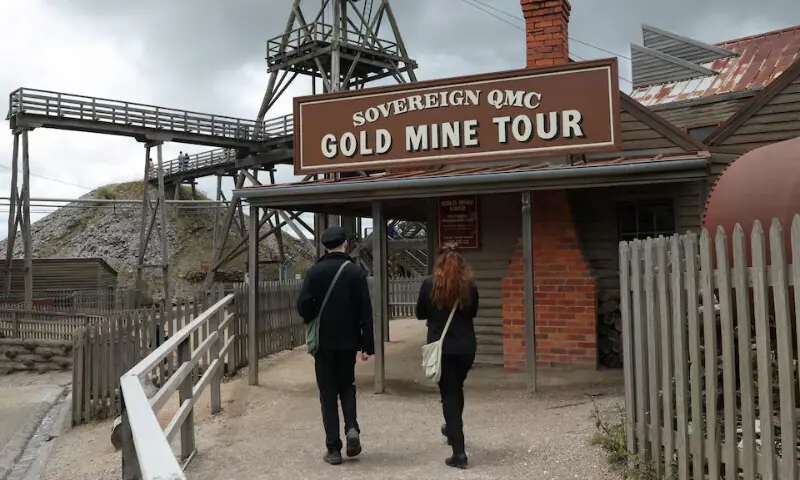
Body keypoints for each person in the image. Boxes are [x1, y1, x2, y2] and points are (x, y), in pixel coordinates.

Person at [296, 226, 375, 466]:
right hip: (348, 341)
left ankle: (333, 449)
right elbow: (366, 311)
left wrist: (314, 317)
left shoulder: (314, 272)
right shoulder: (354, 272)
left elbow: (302, 305)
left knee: (327, 394)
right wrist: (367, 344)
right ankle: (351, 426)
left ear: (324, 247)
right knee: (347, 386)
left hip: (323, 342)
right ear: (345, 245)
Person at [415, 242, 479, 469]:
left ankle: (459, 453)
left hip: (442, 349)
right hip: (466, 348)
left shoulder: (429, 284)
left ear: (439, 261)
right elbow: (473, 312)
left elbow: (420, 314)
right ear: (462, 262)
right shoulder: (469, 285)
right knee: (456, 389)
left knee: (449, 394)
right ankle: (452, 431)